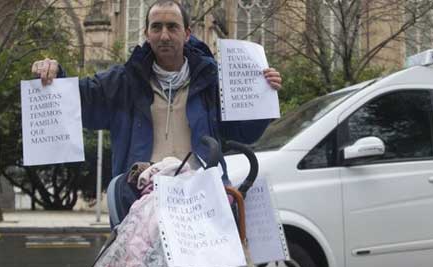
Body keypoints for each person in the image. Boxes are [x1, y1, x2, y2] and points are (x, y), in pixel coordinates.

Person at [31, 0, 282, 181]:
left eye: (172, 27)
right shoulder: (123, 82)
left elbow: (244, 132)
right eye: (156, 27)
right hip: (141, 197)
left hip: (201, 198)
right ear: (146, 34)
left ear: (186, 33)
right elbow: (80, 100)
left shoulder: (212, 82)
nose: (164, 35)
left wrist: (263, 95)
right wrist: (55, 75)